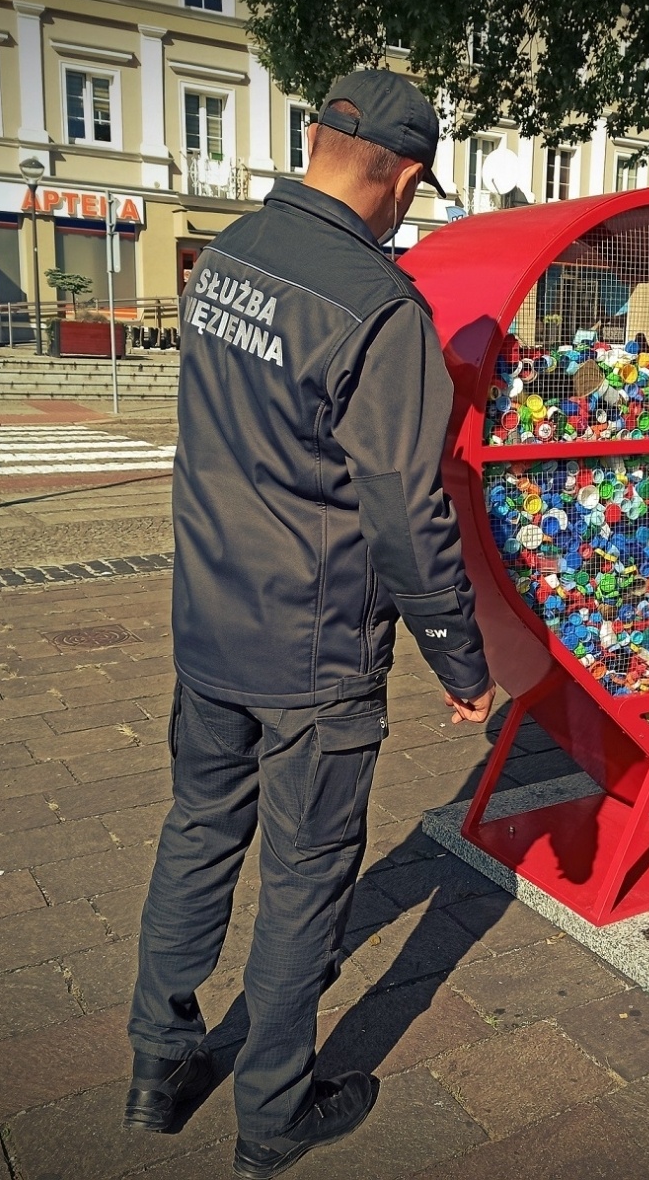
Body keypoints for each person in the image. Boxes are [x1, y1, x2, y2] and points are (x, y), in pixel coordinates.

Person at [125, 69, 495, 1179]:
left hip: (210, 619)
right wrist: (458, 654)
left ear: (316, 140)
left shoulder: (224, 256)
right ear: (407, 178)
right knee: (306, 874)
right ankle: (274, 1112)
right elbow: (406, 508)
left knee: (198, 831)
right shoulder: (380, 307)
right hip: (314, 647)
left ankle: (157, 1066)